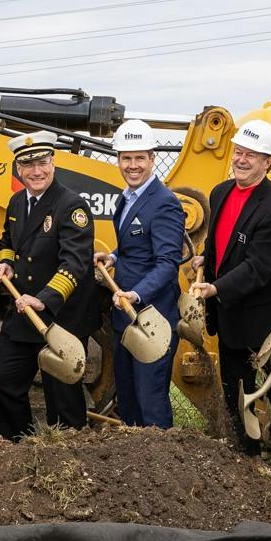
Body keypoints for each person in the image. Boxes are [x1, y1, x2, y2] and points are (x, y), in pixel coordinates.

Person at [190, 116, 271, 458]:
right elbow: (221, 243)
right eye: (238, 152)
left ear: (267, 163)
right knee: (236, 392)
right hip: (232, 317)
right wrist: (206, 262)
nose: (241, 160)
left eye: (251, 155)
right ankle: (246, 458)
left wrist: (215, 289)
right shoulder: (222, 192)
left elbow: (258, 267)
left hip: (270, 319)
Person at [0, 131, 98, 439]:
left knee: (62, 397)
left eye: (42, 162)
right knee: (3, 382)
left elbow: (76, 262)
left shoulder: (71, 206)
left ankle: (69, 459)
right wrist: (6, 261)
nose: (36, 171)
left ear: (53, 163)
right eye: (28, 164)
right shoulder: (15, 202)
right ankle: (22, 445)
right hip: (24, 313)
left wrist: (45, 298)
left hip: (61, 317)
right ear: (18, 169)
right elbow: (8, 241)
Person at [95, 119, 184, 428]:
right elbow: (135, 246)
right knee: (129, 398)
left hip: (151, 318)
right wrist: (114, 256)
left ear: (152, 158)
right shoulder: (128, 197)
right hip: (126, 317)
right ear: (118, 160)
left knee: (151, 401)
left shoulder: (165, 204)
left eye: (139, 158)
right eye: (126, 158)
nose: (132, 165)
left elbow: (168, 264)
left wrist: (136, 293)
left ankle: (163, 468)